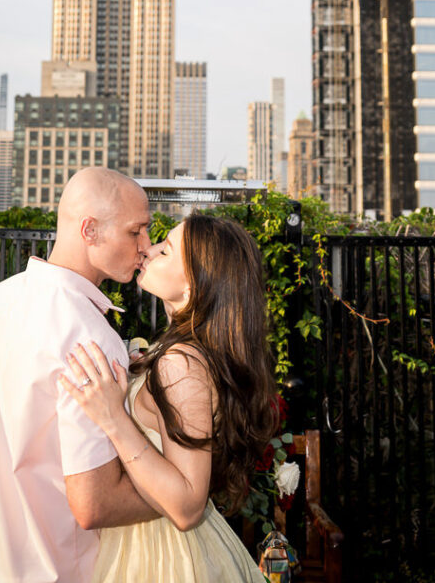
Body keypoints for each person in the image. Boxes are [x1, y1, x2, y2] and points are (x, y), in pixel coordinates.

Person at [0, 167, 160, 583]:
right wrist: (187, 493)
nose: (146, 247)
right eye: (137, 232)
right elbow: (95, 505)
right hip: (57, 570)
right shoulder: (91, 336)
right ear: (90, 230)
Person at [61, 213, 276, 583]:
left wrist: (115, 417)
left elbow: (188, 506)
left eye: (167, 249)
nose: (148, 249)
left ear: (193, 286)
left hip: (165, 560)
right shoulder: (179, 354)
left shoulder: (182, 363)